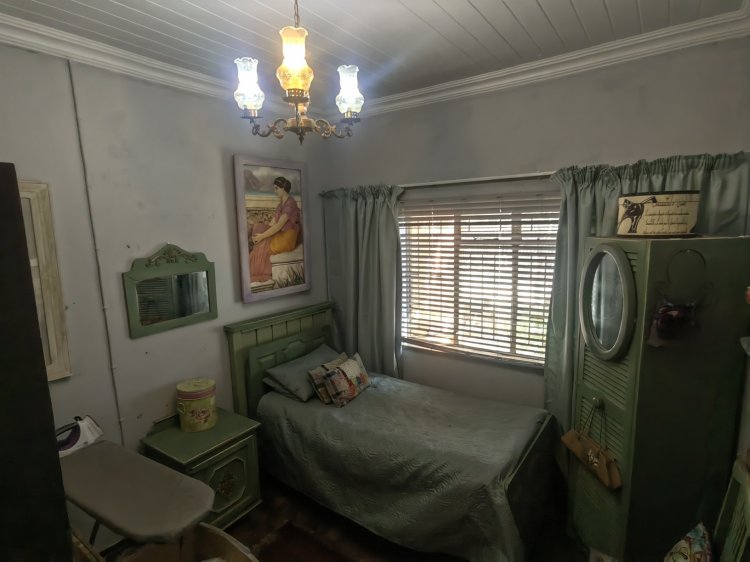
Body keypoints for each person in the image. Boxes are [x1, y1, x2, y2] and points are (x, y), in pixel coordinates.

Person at [249, 176, 300, 285]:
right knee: (259, 231)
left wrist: (262, 236)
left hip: (288, 237)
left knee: (263, 245)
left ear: (283, 188)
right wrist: (260, 232)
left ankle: (260, 275)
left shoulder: (290, 204)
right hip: (280, 234)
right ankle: (255, 274)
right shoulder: (280, 205)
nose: (275, 191)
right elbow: (272, 224)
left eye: (276, 188)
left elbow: (278, 226)